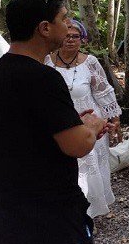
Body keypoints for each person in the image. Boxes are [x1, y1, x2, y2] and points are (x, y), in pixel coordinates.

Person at [0, 0, 109, 244]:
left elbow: (24, 135)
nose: (69, 27)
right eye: (64, 19)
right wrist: (91, 125)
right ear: (44, 28)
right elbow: (76, 145)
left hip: (0, 219)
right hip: (48, 222)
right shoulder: (41, 77)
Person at [46, 19, 122, 217]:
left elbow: (103, 91)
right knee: (69, 167)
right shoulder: (46, 61)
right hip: (60, 122)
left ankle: (91, 212)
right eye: (67, 35)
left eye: (75, 36)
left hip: (90, 123)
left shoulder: (90, 63)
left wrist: (114, 120)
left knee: (91, 165)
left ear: (82, 39)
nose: (70, 40)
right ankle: (72, 211)